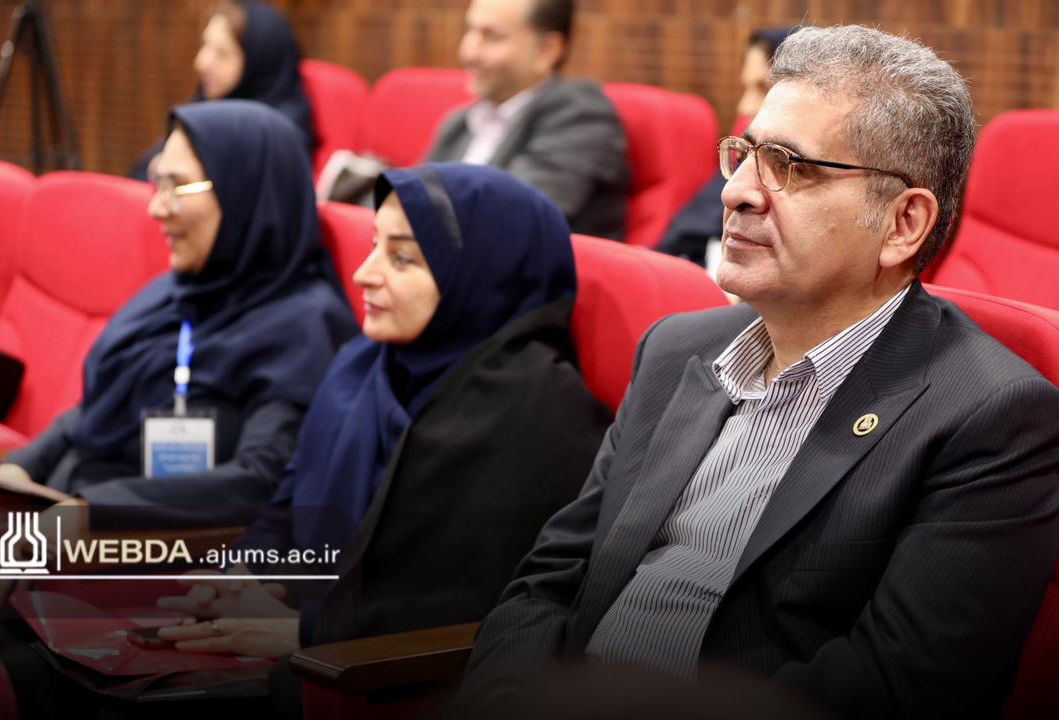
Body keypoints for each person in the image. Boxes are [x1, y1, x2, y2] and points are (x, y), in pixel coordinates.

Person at [458, 25, 1059, 719]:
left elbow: (899, 688)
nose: (738, 192)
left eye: (790, 167)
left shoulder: (992, 416)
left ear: (903, 224)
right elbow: (552, 578)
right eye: (743, 155)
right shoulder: (676, 350)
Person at [152, 163, 612, 715]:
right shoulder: (364, 362)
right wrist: (241, 576)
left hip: (384, 680)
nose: (364, 274)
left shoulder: (539, 410)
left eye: (403, 258)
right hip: (296, 636)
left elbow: (489, 603)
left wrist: (305, 631)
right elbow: (288, 507)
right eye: (374, 246)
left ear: (482, 274)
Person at [0, 101, 356, 596]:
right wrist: (20, 467)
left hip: (154, 556)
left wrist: (94, 513)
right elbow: (100, 407)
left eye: (178, 187)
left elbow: (258, 480)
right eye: (158, 182)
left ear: (246, 195)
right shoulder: (178, 291)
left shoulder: (304, 325)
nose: (157, 208)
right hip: (61, 517)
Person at [425, 0, 630, 240]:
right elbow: (409, 201)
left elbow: (506, 216)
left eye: (492, 36)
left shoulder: (581, 116)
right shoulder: (459, 123)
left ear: (547, 51)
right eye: (469, 30)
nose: (468, 53)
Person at [129, 0, 314, 179]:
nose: (201, 62)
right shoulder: (208, 103)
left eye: (222, 53)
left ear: (259, 62)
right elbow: (141, 171)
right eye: (205, 44)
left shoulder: (278, 138)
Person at [658, 27, 795, 266]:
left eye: (762, 88)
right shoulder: (741, 156)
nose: (745, 106)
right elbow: (685, 234)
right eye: (745, 88)